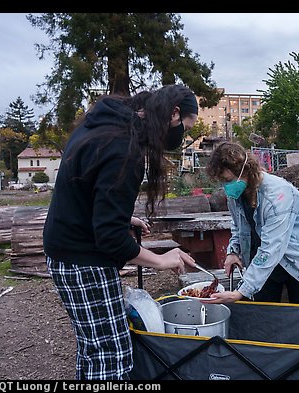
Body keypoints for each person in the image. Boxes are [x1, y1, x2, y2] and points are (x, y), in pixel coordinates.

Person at [43, 84, 199, 380]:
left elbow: (86, 192)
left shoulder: (106, 123)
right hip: (82, 260)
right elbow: (111, 240)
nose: (182, 137)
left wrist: (122, 218)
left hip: (66, 249)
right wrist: (161, 259)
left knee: (94, 348)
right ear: (174, 115)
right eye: (186, 128)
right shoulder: (124, 150)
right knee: (112, 356)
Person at [202, 141, 299, 304]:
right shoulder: (236, 194)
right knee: (263, 311)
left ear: (243, 171)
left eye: (228, 179)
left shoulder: (277, 196)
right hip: (264, 254)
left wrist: (241, 292)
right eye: (222, 181)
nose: (226, 186)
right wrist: (233, 251)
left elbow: (272, 247)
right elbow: (238, 225)